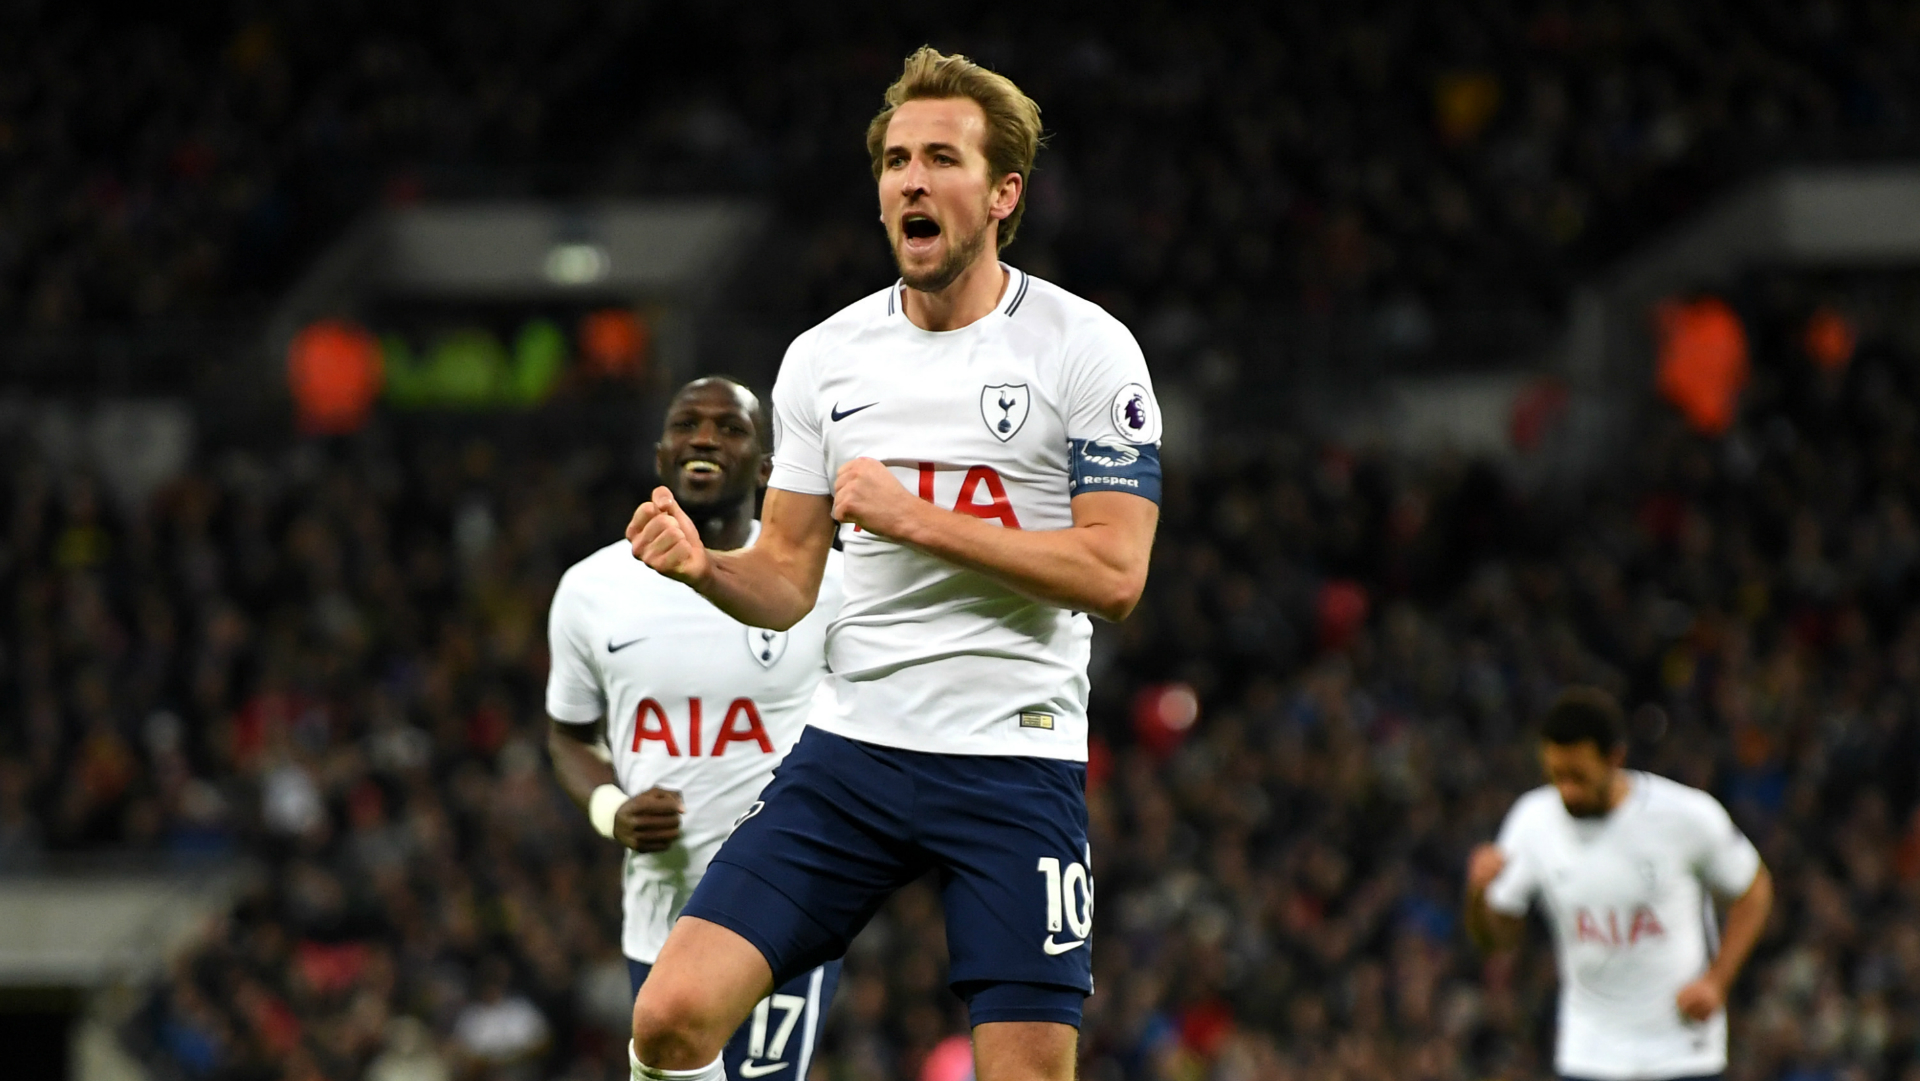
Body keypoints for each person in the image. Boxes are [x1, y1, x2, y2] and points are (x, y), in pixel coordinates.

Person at [623, 46, 1162, 1081]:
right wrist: (702, 565)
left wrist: (920, 519)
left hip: (1015, 762)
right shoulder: (825, 358)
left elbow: (1117, 573)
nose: (913, 180)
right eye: (898, 160)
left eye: (942, 159)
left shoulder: (1085, 351)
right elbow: (786, 580)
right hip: (852, 758)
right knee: (671, 1017)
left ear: (1003, 193)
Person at [547, 377, 845, 1081]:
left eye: (730, 427)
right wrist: (610, 807)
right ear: (661, 455)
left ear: (767, 467)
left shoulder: (829, 585)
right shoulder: (591, 591)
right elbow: (568, 734)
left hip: (786, 904)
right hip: (657, 915)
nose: (705, 437)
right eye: (687, 424)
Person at [1465, 688, 1775, 1081]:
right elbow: (1498, 940)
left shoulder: (1683, 816)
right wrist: (1478, 893)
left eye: (1578, 776)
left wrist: (1717, 981)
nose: (1567, 790)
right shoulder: (1532, 821)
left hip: (1681, 1052)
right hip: (1590, 1054)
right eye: (1556, 775)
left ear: (1615, 759)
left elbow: (1754, 890)